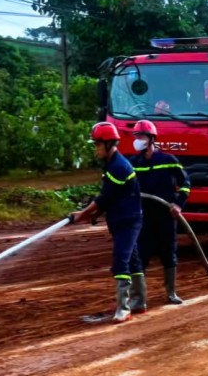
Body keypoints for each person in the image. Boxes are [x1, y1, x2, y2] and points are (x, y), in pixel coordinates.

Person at [70, 122, 145, 324]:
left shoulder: (119, 167)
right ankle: (139, 302)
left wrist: (83, 214)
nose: (95, 149)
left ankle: (124, 308)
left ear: (109, 144)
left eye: (97, 145)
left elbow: (104, 198)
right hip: (123, 218)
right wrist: (93, 214)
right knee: (133, 260)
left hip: (128, 221)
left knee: (121, 260)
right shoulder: (112, 165)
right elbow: (111, 197)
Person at [128, 120, 191, 309]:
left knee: (168, 252)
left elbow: (186, 183)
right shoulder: (132, 163)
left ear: (151, 139)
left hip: (165, 215)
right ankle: (139, 298)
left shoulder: (168, 160)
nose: (137, 140)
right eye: (136, 136)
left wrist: (178, 204)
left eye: (141, 136)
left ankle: (171, 292)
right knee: (141, 255)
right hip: (143, 216)